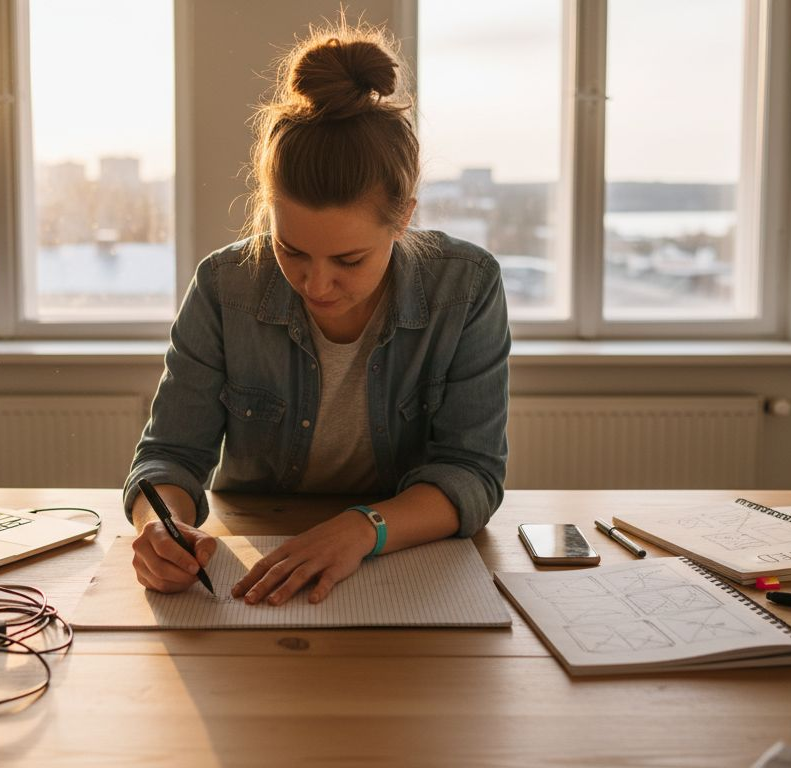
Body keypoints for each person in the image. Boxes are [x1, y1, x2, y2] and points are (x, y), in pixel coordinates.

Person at [123, 19, 510, 607]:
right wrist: (162, 526)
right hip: (257, 551)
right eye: (291, 250)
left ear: (403, 217)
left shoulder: (466, 286)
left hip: (406, 555)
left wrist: (361, 528)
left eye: (349, 259)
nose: (317, 284)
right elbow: (169, 454)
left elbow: (472, 472)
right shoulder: (224, 285)